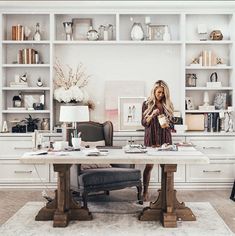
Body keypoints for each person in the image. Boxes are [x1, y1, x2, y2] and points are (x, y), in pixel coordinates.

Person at [141, 80, 174, 201]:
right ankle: (145, 192)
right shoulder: (146, 104)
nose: (161, 95)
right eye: (159, 92)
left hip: (165, 139)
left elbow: (172, 126)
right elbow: (144, 123)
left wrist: (168, 123)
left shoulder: (168, 105)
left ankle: (166, 192)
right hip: (151, 139)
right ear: (154, 91)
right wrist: (152, 114)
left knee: (166, 167)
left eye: (163, 93)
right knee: (149, 166)